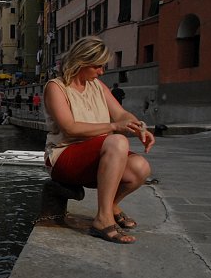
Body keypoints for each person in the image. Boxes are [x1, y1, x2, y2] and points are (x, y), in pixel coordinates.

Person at [44, 36, 155, 244]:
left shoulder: (97, 85)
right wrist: (114, 127)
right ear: (81, 62)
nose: (101, 72)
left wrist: (138, 126)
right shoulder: (55, 87)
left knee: (141, 167)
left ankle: (111, 206)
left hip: (98, 154)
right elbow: (69, 128)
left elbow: (121, 114)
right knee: (117, 141)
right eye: (98, 66)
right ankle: (103, 220)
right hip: (64, 155)